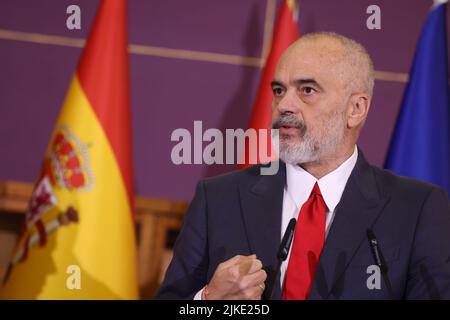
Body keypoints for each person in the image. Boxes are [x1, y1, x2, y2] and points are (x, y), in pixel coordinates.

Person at [155, 32, 450, 300]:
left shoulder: (416, 208)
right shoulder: (218, 198)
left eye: (307, 90)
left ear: (356, 109)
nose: (284, 105)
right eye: (279, 90)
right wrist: (208, 301)